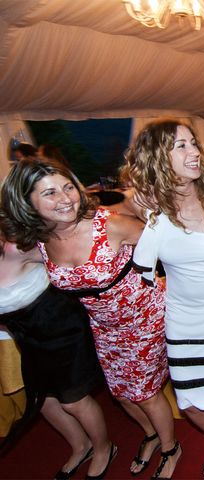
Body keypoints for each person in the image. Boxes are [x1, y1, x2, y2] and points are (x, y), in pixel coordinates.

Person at [0, 158, 180, 479]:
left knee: (145, 393)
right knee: (120, 392)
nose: (65, 198)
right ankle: (151, 435)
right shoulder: (39, 244)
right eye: (50, 193)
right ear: (27, 203)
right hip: (103, 326)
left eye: (68, 187)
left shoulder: (110, 225)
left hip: (144, 314)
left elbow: (172, 244)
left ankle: (170, 448)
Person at [121, 119, 204, 478]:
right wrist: (139, 205)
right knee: (190, 397)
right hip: (181, 314)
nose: (194, 152)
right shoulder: (148, 205)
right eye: (181, 146)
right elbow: (117, 219)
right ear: (158, 158)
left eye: (193, 144)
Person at [0, 232, 110, 479]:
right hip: (29, 340)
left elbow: (69, 257)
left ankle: (104, 448)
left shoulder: (19, 248)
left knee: (74, 400)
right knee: (44, 400)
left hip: (64, 329)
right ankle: (82, 446)